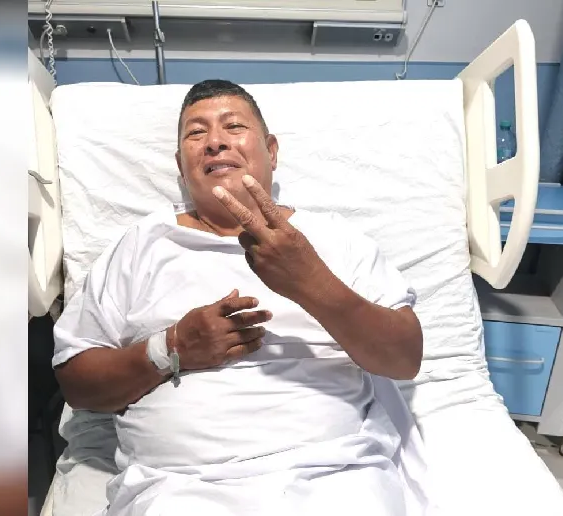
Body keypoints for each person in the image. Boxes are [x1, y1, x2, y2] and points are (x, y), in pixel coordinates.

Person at [52, 79, 424, 516]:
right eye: (196, 133)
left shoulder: (335, 239)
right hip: (177, 488)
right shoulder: (141, 246)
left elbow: (404, 359)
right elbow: (78, 384)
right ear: (181, 164)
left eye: (233, 126)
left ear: (272, 151)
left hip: (335, 475)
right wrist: (170, 348)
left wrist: (311, 282)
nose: (215, 142)